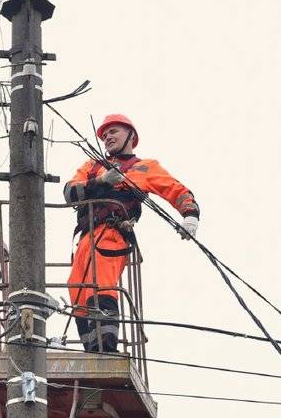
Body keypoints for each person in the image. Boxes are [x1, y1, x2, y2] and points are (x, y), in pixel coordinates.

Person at [62, 114, 200, 352]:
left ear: (131, 136)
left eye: (113, 132)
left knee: (102, 284)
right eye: (105, 135)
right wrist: (102, 181)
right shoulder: (92, 167)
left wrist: (190, 215)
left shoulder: (143, 167)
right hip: (86, 236)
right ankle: (92, 350)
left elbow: (176, 190)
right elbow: (69, 193)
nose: (107, 138)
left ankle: (106, 348)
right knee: (77, 289)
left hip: (113, 234)